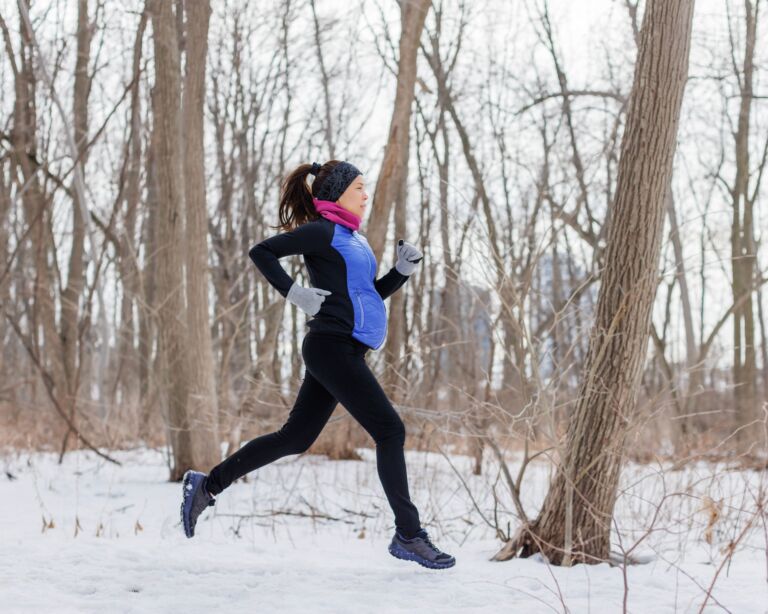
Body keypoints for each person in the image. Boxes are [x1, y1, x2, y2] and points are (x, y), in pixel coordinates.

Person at [180, 160, 455, 570]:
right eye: (360, 187)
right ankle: (409, 534)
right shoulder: (322, 231)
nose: (365, 194)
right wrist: (295, 293)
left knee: (294, 438)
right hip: (330, 348)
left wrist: (400, 273)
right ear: (340, 192)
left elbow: (365, 295)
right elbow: (263, 251)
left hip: (342, 348)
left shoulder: (353, 240)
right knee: (390, 430)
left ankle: (206, 485)